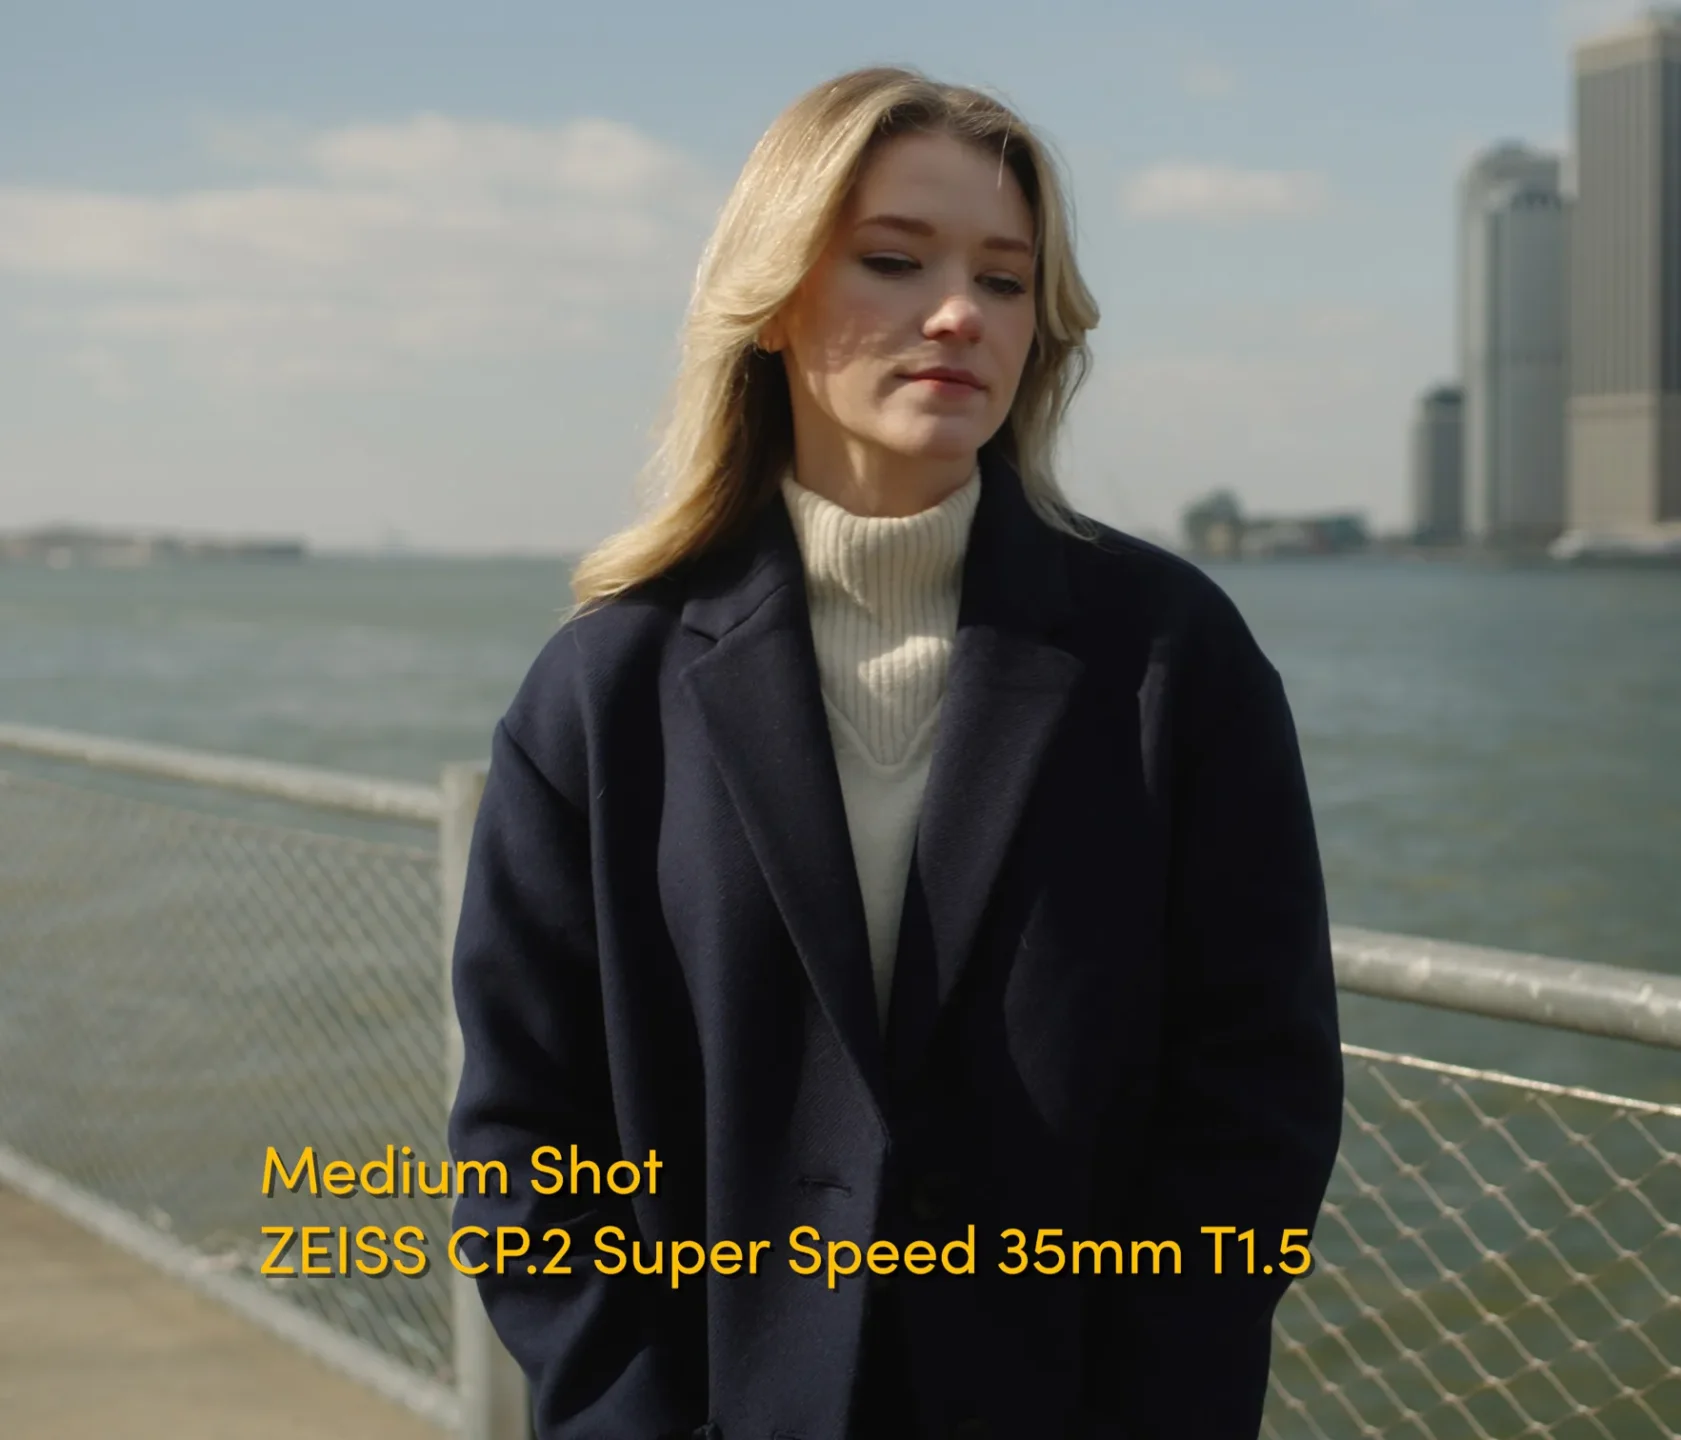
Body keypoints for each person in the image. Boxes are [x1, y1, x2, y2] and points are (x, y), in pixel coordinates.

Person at [446, 66, 1344, 1440]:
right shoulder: (605, 687)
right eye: (893, 260)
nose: (958, 316)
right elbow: (526, 1136)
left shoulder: (1173, 659)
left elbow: (1256, 1100)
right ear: (773, 298)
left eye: (1002, 279)